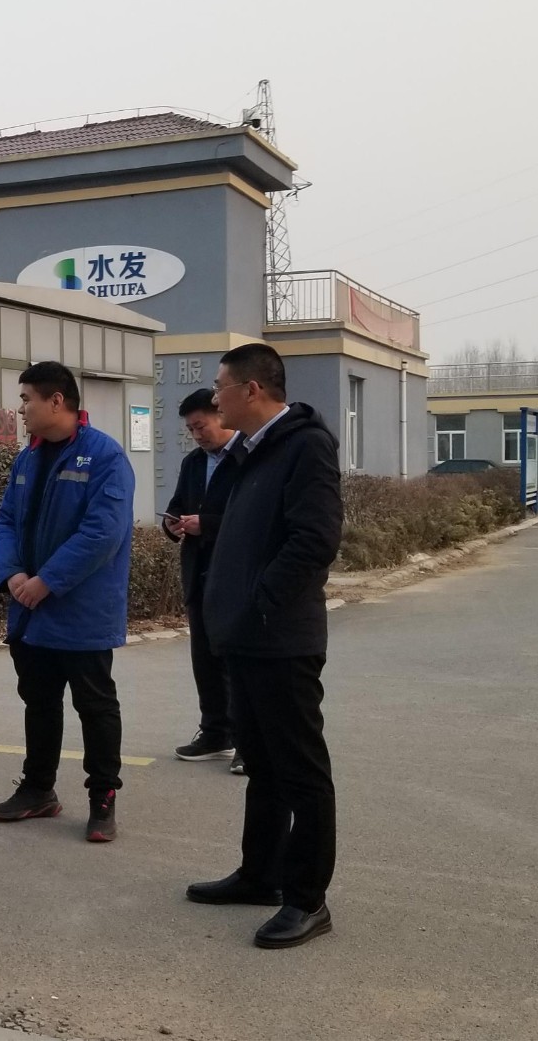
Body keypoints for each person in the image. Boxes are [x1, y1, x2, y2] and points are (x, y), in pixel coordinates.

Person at [189, 343, 342, 950]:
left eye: (220, 387)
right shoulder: (250, 451)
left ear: (251, 390)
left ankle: (307, 899)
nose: (214, 397)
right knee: (262, 765)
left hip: (280, 638)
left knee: (301, 771)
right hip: (245, 638)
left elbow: (315, 540)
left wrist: (259, 601)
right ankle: (260, 874)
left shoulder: (305, 446)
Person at [0, 361, 135, 843]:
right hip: (30, 609)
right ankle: (38, 789)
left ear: (56, 401)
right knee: (39, 701)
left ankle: (102, 798)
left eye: (26, 399)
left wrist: (47, 581)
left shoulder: (105, 456)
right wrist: (13, 573)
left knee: (95, 705)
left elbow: (103, 533)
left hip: (80, 609)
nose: (21, 409)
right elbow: (6, 519)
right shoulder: (27, 459)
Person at [161, 387, 245, 774]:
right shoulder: (194, 463)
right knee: (205, 661)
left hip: (236, 575)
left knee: (238, 662)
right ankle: (215, 733)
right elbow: (178, 505)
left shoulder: (248, 457)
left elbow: (252, 519)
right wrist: (172, 524)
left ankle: (248, 741)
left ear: (221, 415)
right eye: (191, 429)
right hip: (198, 572)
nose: (197, 435)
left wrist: (206, 524)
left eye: (201, 426)